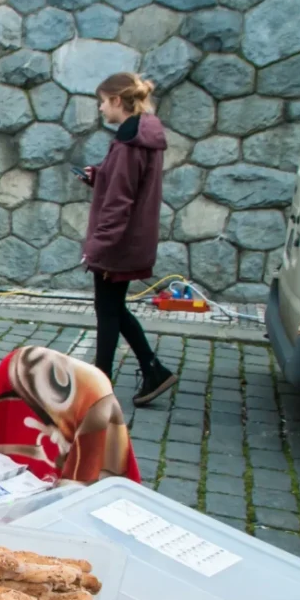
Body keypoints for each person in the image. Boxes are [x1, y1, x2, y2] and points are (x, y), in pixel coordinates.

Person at [80, 72, 178, 407]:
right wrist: (100, 176)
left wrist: (95, 248)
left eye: (103, 101)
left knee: (107, 312)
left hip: (118, 245)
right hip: (130, 240)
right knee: (112, 308)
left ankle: (99, 387)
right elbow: (127, 186)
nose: (100, 108)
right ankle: (152, 369)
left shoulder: (127, 144)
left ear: (117, 101)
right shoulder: (143, 136)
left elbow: (119, 203)